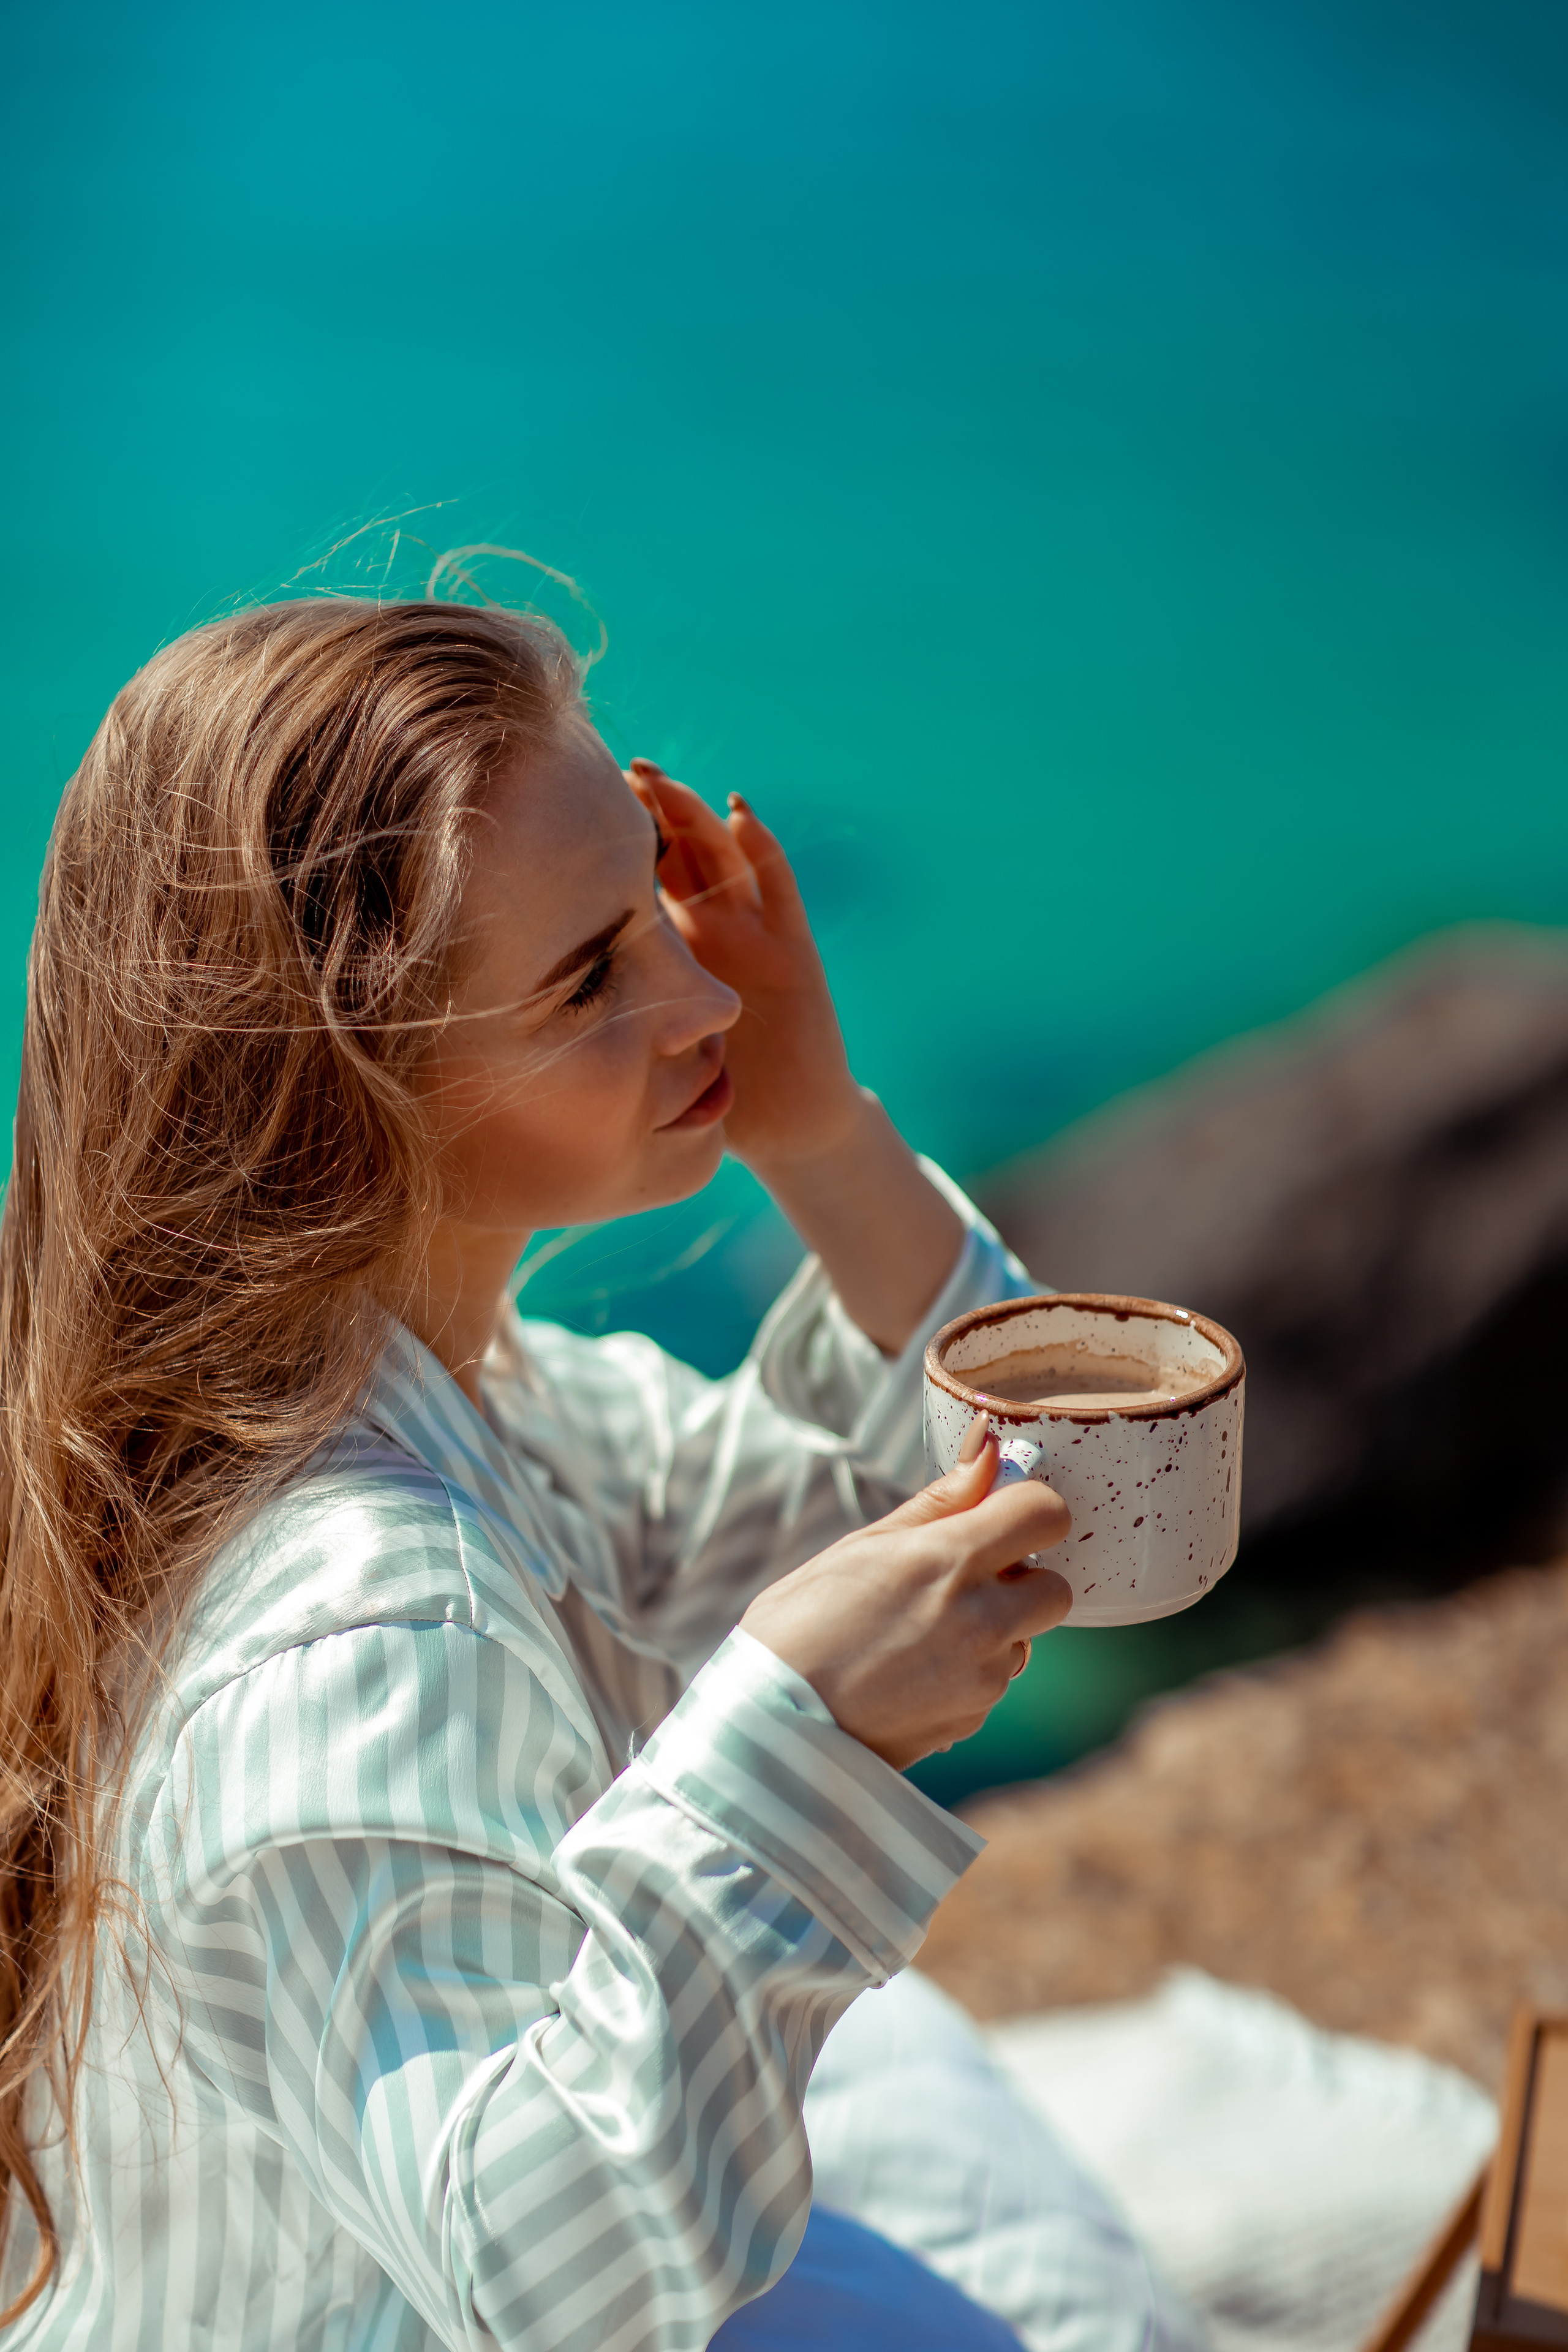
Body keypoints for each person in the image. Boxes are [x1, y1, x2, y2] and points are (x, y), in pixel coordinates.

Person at [0, 595, 1200, 2350]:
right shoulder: (352, 1619)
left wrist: (817, 1129)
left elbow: (1068, 1518)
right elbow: (547, 2290)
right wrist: (801, 1743)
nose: (709, 989)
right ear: (344, 1093)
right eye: (589, 974)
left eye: (655, 896)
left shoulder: (478, 1415)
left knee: (904, 2084)